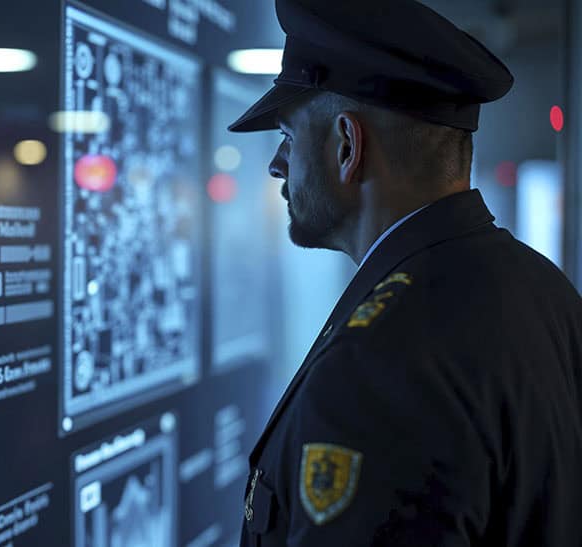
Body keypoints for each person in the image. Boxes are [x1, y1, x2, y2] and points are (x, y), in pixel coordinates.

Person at [229, 0, 582, 545]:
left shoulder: (375, 368)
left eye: (289, 137)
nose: (277, 163)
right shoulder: (542, 286)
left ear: (347, 146)